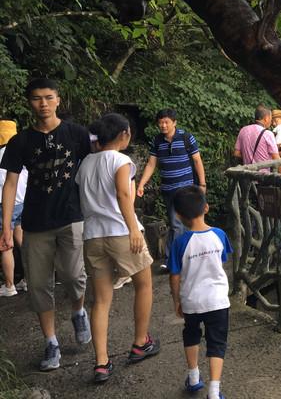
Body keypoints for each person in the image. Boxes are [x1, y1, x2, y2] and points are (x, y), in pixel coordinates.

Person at [0, 78, 92, 371]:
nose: (43, 103)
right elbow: (10, 183)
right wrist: (5, 226)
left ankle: (79, 311)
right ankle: (51, 342)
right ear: (30, 102)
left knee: (75, 276)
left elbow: (94, 167)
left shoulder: (76, 134)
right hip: (34, 223)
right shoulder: (21, 141)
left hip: (71, 217)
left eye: (48, 97)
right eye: (37, 98)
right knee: (39, 285)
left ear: (58, 100)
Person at [75, 113, 160, 383]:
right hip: (121, 233)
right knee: (144, 284)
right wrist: (134, 228)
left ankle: (101, 362)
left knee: (100, 300)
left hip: (92, 236)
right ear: (124, 134)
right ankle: (140, 342)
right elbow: (124, 194)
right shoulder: (122, 160)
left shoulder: (85, 163)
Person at [169, 185, 232, 399]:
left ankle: (194, 377)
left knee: (192, 334)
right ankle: (214, 392)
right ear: (206, 207)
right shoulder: (220, 235)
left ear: (178, 215)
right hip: (218, 301)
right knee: (217, 343)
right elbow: (222, 261)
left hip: (192, 301)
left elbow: (174, 275)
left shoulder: (179, 243)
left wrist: (177, 300)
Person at [136, 108, 206, 268]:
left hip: (185, 190)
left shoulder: (186, 138)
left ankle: (172, 260)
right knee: (177, 224)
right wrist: (141, 184)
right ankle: (184, 257)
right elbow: (151, 163)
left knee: (178, 224)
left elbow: (197, 161)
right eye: (160, 122)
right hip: (168, 190)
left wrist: (202, 185)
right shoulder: (157, 141)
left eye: (166, 122)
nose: (163, 125)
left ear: (174, 122)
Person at [0, 120, 28, 297]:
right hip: (23, 202)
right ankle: (30, 280)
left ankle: (9, 285)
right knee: (23, 241)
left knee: (5, 244)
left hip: (5, 205)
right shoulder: (21, 152)